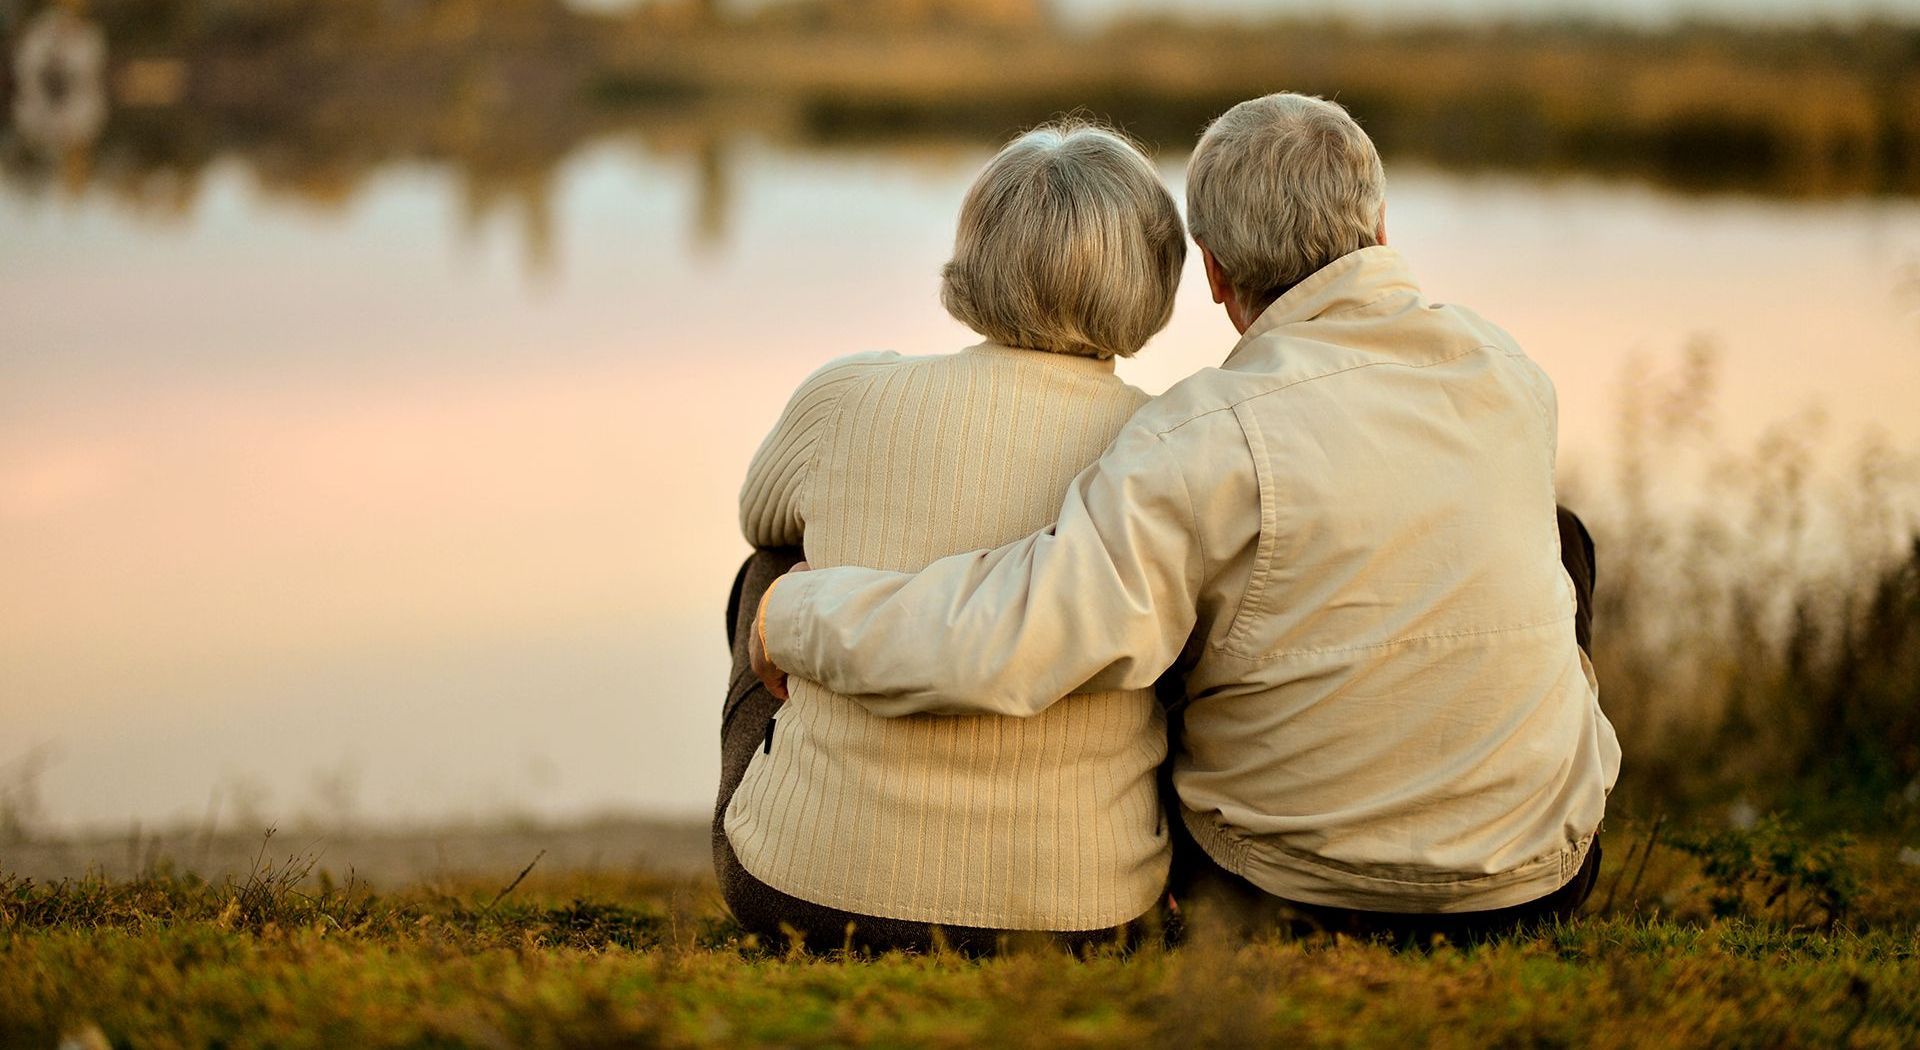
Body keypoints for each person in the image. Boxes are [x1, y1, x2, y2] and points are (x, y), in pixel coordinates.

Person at [752, 93, 1621, 944]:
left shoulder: (1204, 434)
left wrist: (791, 610)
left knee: (1172, 609)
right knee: (1560, 537)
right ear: (1383, 228)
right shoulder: (1511, 373)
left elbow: (1020, 634)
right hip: (1537, 880)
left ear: (1210, 271)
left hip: (1284, 887)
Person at [717, 121, 1188, 953]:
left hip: (803, 889)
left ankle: (809, 807)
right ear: (1155, 276)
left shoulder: (848, 394)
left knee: (772, 569)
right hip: (1085, 910)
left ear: (976, 255)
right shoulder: (1169, 444)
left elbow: (761, 516)